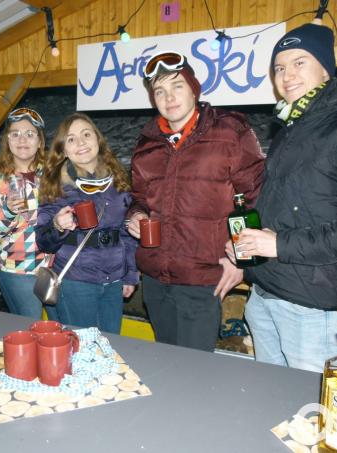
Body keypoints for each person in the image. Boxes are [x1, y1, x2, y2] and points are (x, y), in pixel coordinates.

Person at [225, 21, 337, 372]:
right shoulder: (294, 125)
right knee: (265, 409)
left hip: (312, 311)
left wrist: (281, 245)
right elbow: (292, 210)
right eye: (279, 67)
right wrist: (246, 248)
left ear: (325, 66)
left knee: (308, 416)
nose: (287, 75)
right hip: (265, 295)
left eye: (299, 62)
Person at [125, 51, 265, 352]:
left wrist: (239, 259)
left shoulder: (230, 131)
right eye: (159, 91)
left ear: (193, 88)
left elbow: (254, 198)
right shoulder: (147, 142)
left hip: (203, 277)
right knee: (165, 360)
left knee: (195, 371)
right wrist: (135, 215)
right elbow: (138, 198)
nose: (169, 97)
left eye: (177, 86)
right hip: (154, 277)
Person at [35, 113, 139, 334]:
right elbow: (43, 240)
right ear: (63, 149)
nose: (81, 143)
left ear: (98, 140)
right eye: (71, 139)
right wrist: (57, 225)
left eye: (86, 135)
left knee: (111, 343)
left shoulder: (118, 179)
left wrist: (130, 275)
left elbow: (126, 234)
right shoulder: (56, 184)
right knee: (83, 349)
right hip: (76, 280)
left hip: (114, 280)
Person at [0, 107, 57, 320]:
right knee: (31, 330)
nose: (22, 139)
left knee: (62, 332)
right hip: (18, 270)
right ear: (8, 141)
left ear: (40, 142)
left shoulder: (55, 175)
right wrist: (8, 212)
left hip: (56, 267)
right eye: (15, 134)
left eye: (30, 134)